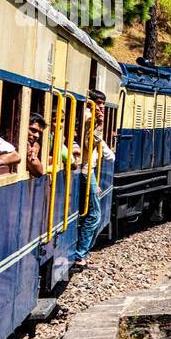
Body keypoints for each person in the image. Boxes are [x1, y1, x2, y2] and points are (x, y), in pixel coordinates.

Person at [73, 94, 115, 269]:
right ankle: (80, 254)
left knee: (91, 214)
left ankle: (83, 253)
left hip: (88, 170)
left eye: (103, 104)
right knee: (94, 214)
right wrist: (99, 124)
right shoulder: (88, 118)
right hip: (85, 170)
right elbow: (89, 143)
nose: (101, 108)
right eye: (98, 104)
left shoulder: (89, 117)